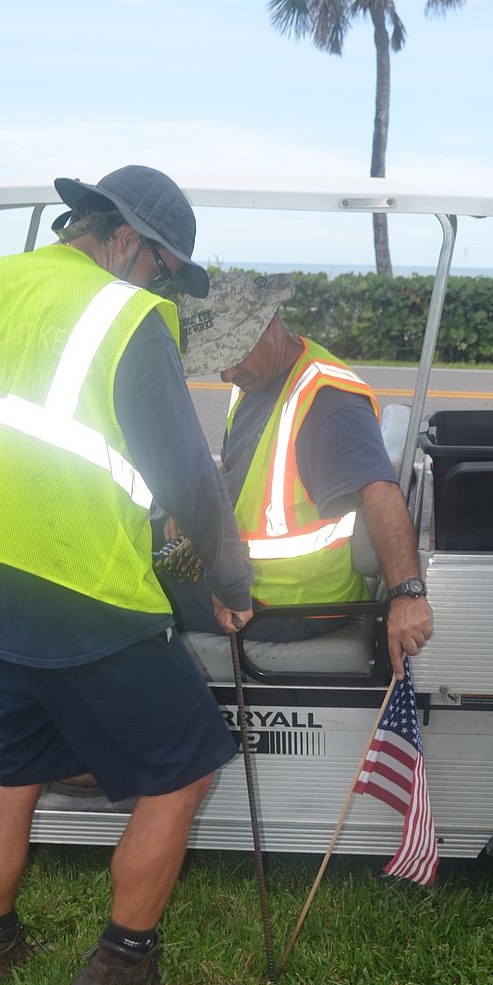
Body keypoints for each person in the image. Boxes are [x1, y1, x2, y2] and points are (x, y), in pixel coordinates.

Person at [0, 166, 254, 985]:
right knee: (185, 768)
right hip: (91, 596)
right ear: (122, 234)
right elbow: (187, 478)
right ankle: (114, 982)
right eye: (163, 265)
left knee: (14, 772)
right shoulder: (129, 316)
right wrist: (229, 584)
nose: (162, 283)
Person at [158, 271, 433, 680]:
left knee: (129, 592)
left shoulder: (327, 402)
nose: (226, 374)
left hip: (290, 603)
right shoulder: (256, 382)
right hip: (251, 579)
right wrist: (194, 506)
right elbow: (241, 469)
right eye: (218, 360)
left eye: (232, 354)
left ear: (269, 325)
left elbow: (381, 491)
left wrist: (406, 596)